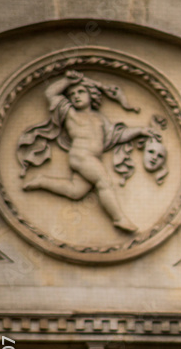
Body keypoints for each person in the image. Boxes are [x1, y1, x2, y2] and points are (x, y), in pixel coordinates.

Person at [17, 70, 158, 232]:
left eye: (81, 92)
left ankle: (42, 180)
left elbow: (116, 136)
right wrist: (68, 81)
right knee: (104, 182)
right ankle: (119, 218)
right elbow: (50, 93)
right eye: (72, 94)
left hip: (91, 158)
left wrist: (140, 130)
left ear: (91, 95)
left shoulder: (100, 119)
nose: (76, 96)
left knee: (75, 191)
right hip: (81, 155)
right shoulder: (70, 113)